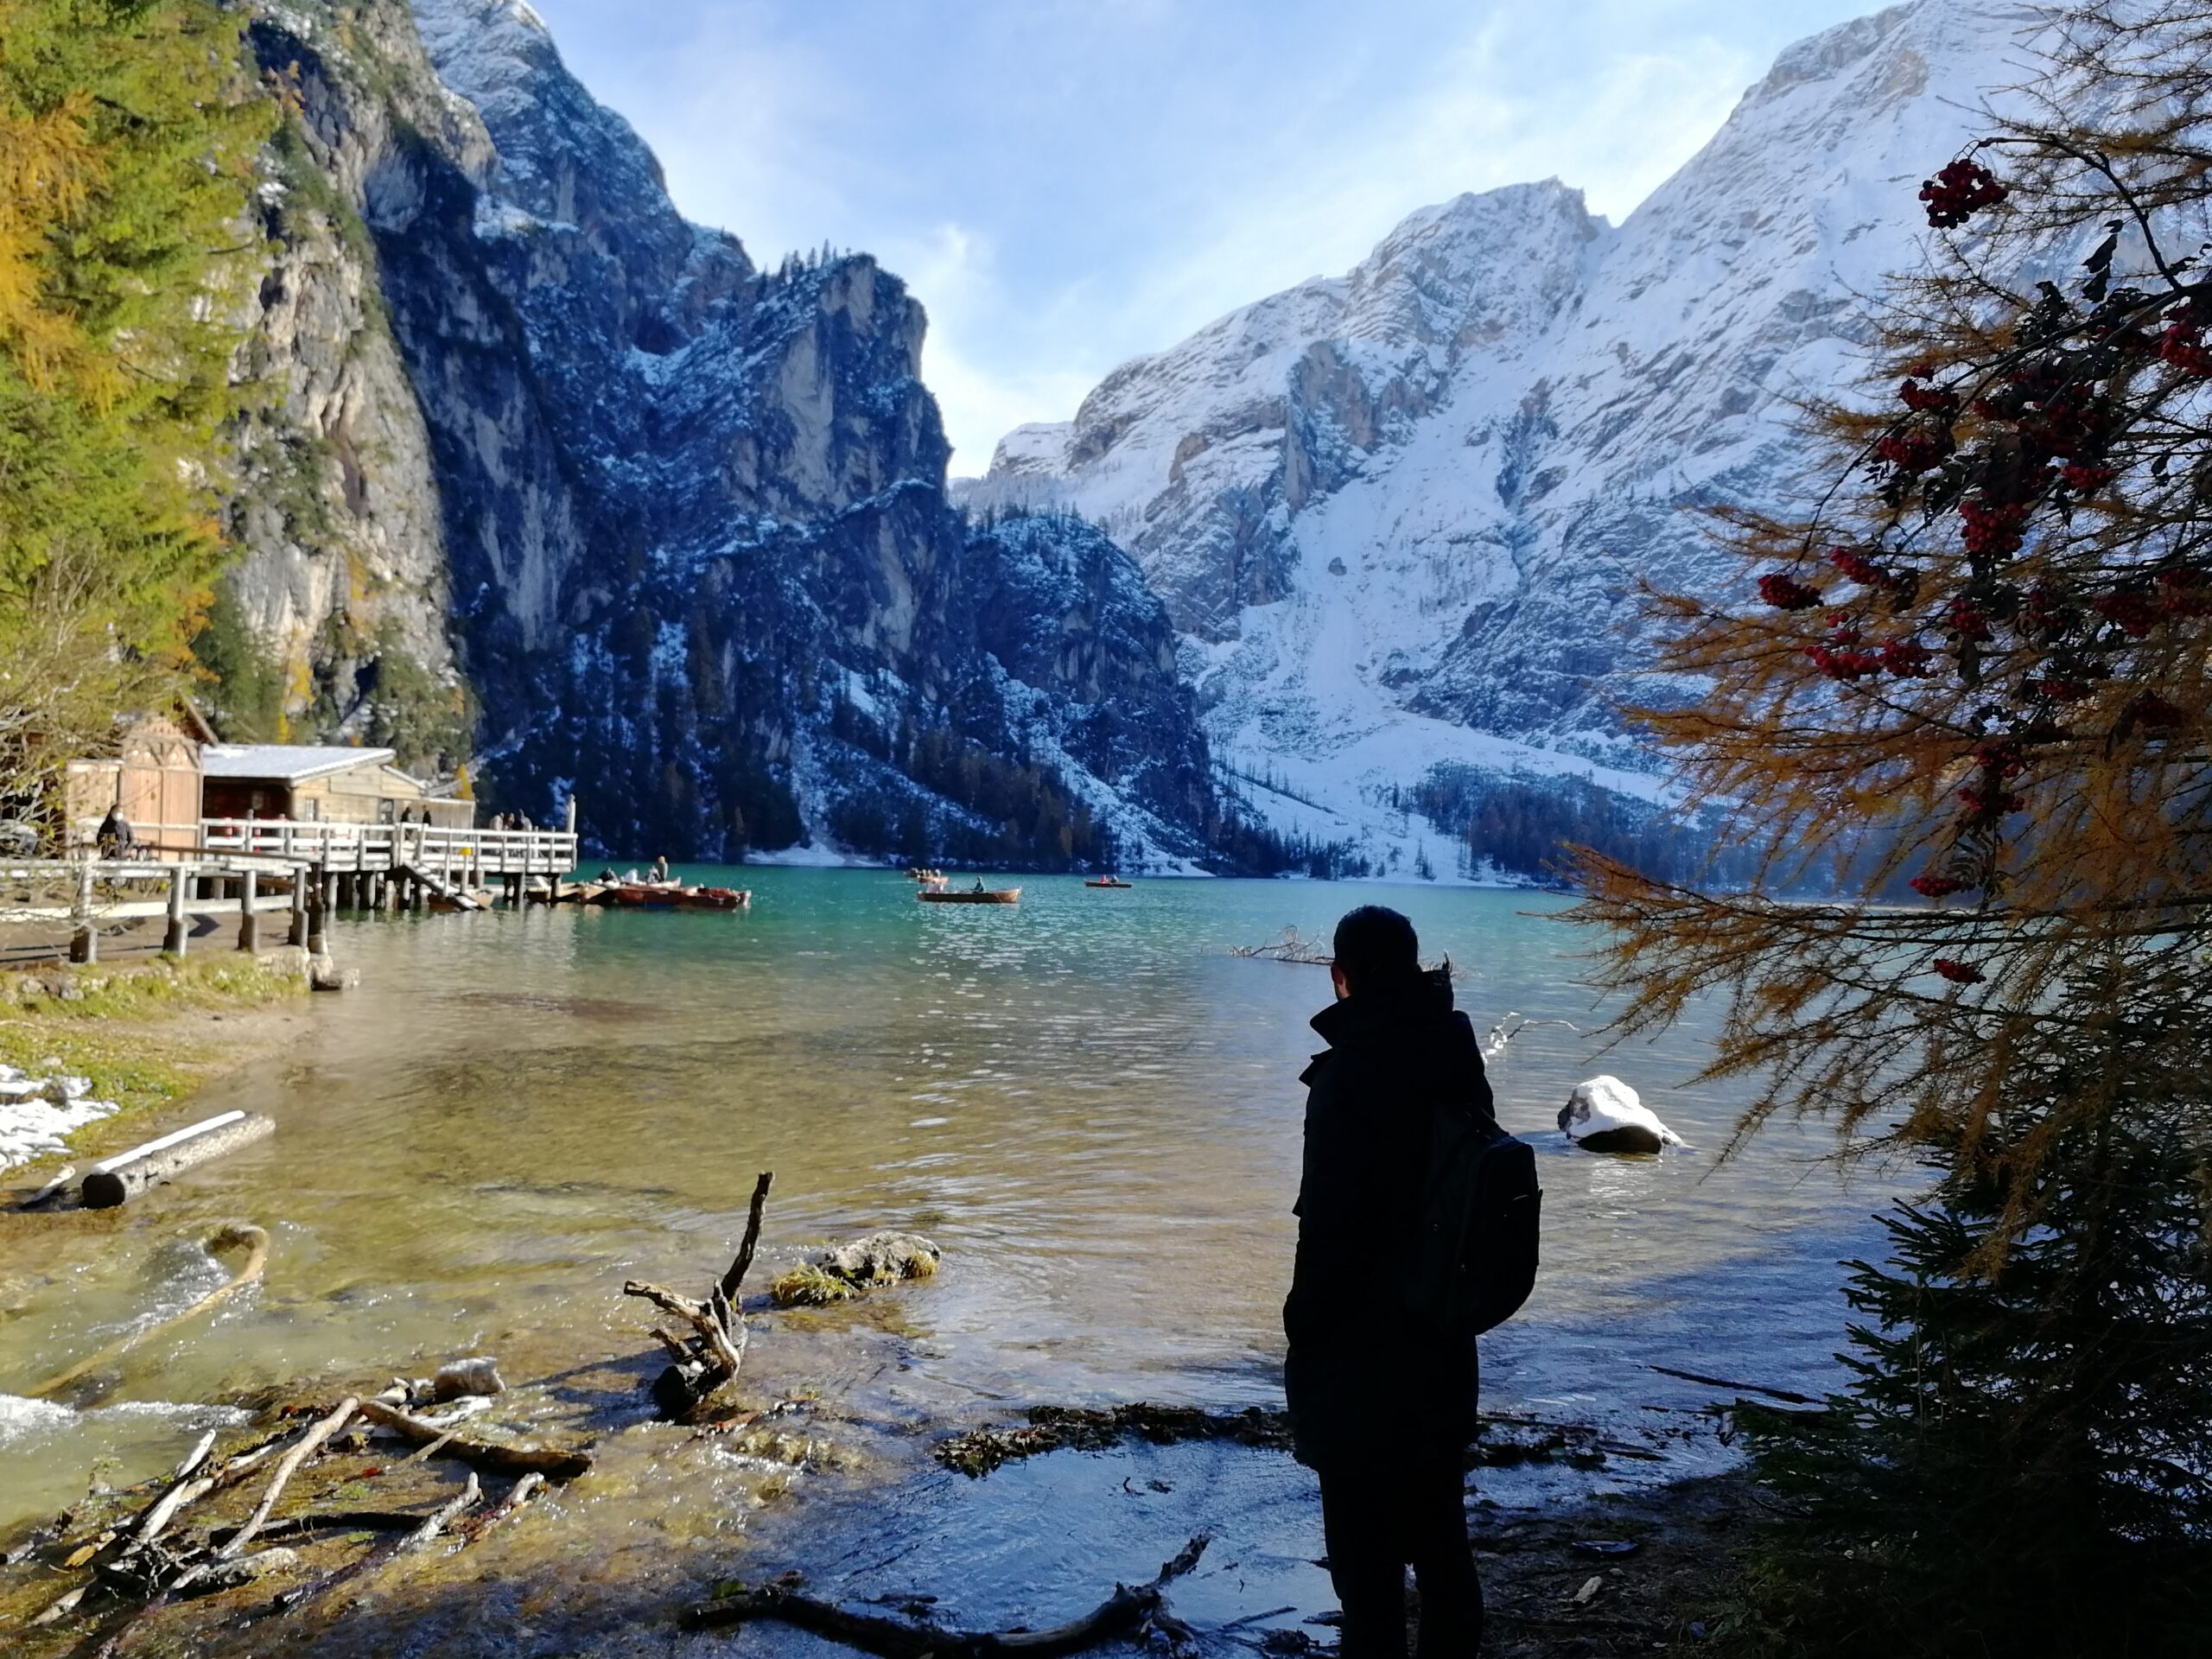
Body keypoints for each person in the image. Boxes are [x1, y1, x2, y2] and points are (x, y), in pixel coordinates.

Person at [1285, 906, 1491, 1658]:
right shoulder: (1456, 1052)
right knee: (1442, 1545)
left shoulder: (1348, 1075)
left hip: (1359, 1351)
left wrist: (1303, 1332)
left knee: (1365, 1571)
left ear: (1341, 975)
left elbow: (1331, 1228)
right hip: (1441, 1328)